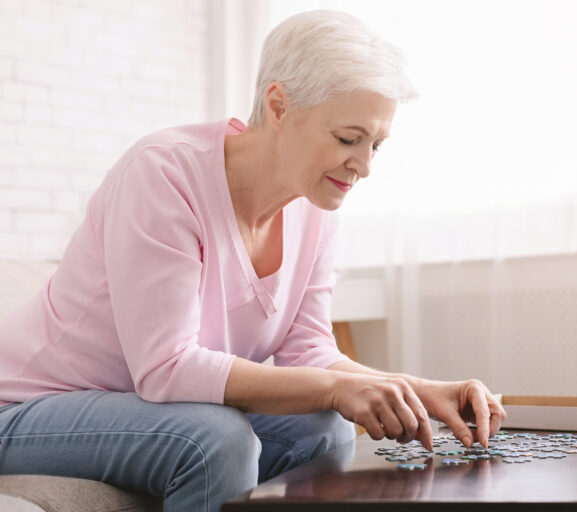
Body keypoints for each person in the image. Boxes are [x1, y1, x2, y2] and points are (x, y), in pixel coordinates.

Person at [0, 9, 505, 511]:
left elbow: (309, 351)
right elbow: (166, 369)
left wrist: (421, 392)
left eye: (376, 144)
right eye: (349, 139)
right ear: (279, 105)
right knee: (215, 440)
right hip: (23, 409)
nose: (365, 166)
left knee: (322, 430)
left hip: (137, 410)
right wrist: (335, 389)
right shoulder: (164, 175)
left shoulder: (315, 206)